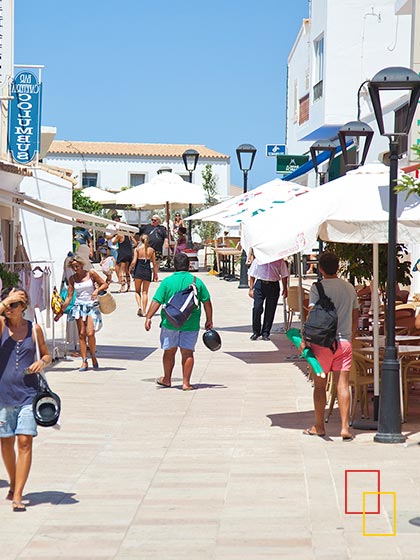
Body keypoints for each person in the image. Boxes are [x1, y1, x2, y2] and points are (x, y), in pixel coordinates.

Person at [0, 287, 51, 512]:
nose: (10, 309)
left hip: (28, 395)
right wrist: (8, 299)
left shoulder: (34, 329)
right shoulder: (1, 326)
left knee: (25, 442)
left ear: (24, 307)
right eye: (7, 305)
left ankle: (18, 493)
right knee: (6, 443)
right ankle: (13, 482)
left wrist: (43, 362)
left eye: (14, 305)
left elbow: (46, 353)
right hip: (3, 396)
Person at [300, 252, 359, 441]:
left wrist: (304, 339)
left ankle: (319, 426)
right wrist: (351, 335)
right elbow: (356, 315)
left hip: (322, 344)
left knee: (320, 386)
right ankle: (344, 428)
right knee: (343, 384)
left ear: (321, 268)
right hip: (344, 342)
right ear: (338, 267)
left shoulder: (317, 288)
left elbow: (313, 315)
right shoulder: (349, 288)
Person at [144, 252, 213, 391]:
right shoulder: (196, 282)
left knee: (169, 352)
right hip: (191, 323)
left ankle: (167, 379)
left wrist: (148, 317)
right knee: (187, 353)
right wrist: (209, 320)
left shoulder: (167, 282)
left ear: (174, 266)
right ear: (188, 265)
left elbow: (156, 300)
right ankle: (186, 383)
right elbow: (207, 302)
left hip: (170, 322)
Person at [54, 255, 108, 372]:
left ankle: (93, 356)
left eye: (77, 266)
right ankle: (84, 361)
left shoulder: (91, 274)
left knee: (90, 333)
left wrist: (96, 290)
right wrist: (61, 311)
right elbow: (69, 297)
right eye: (73, 267)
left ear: (82, 265)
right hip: (79, 307)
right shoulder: (72, 279)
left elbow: (104, 284)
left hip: (91, 306)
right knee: (82, 334)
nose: (75, 269)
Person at [248, 257, 289, 341]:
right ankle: (256, 331)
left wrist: (285, 288)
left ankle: (265, 332)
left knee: (270, 309)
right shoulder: (258, 260)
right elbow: (252, 274)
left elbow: (284, 275)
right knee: (257, 308)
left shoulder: (279, 261)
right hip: (260, 284)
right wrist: (251, 288)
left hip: (273, 285)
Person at [130, 234, 158, 317]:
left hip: (138, 270)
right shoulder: (152, 250)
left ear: (140, 240)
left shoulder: (137, 249)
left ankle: (139, 307)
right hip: (147, 271)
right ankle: (145, 311)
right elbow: (154, 263)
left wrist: (130, 268)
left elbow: (134, 261)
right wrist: (155, 274)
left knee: (137, 291)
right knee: (145, 292)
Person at [112, 217, 133, 293]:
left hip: (122, 253)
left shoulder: (120, 235)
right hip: (129, 253)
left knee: (121, 271)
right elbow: (135, 243)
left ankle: (123, 286)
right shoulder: (129, 235)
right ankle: (129, 286)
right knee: (127, 271)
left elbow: (113, 242)